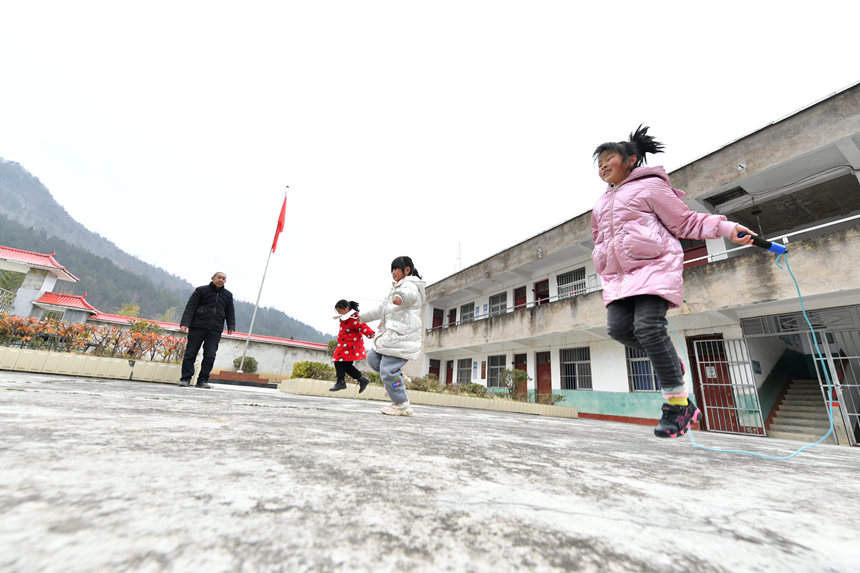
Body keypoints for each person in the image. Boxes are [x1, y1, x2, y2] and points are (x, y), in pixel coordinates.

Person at [591, 126, 754, 438]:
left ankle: (679, 405)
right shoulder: (599, 205)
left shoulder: (651, 187)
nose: (602, 166)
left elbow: (686, 221)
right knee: (619, 330)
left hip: (655, 268)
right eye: (598, 163)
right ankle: (670, 362)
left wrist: (727, 228)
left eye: (608, 159)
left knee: (649, 328)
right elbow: (600, 240)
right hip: (618, 279)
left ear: (631, 160)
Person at [360, 256, 426, 416]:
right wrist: (360, 317)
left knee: (388, 371)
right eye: (392, 269)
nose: (393, 272)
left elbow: (409, 295)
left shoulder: (411, 285)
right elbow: (380, 309)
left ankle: (401, 403)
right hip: (390, 337)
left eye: (396, 268)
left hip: (402, 338)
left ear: (407, 270)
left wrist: (400, 298)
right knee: (373, 358)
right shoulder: (396, 289)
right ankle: (400, 378)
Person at [178, 271, 236, 388]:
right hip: (198, 327)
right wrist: (185, 323)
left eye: (223, 279)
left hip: (215, 330)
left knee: (210, 355)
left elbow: (230, 311)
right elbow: (190, 307)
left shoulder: (228, 295)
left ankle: (202, 380)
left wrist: (231, 326)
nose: (221, 280)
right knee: (191, 353)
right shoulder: (201, 290)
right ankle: (185, 379)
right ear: (213, 278)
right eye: (219, 277)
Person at [329, 299, 375, 393]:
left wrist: (370, 333)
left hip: (351, 345)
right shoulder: (344, 317)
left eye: (341, 311)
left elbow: (363, 326)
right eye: (338, 312)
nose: (340, 313)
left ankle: (341, 382)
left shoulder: (355, 317)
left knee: (338, 360)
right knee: (346, 365)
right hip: (344, 344)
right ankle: (361, 379)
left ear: (346, 308)